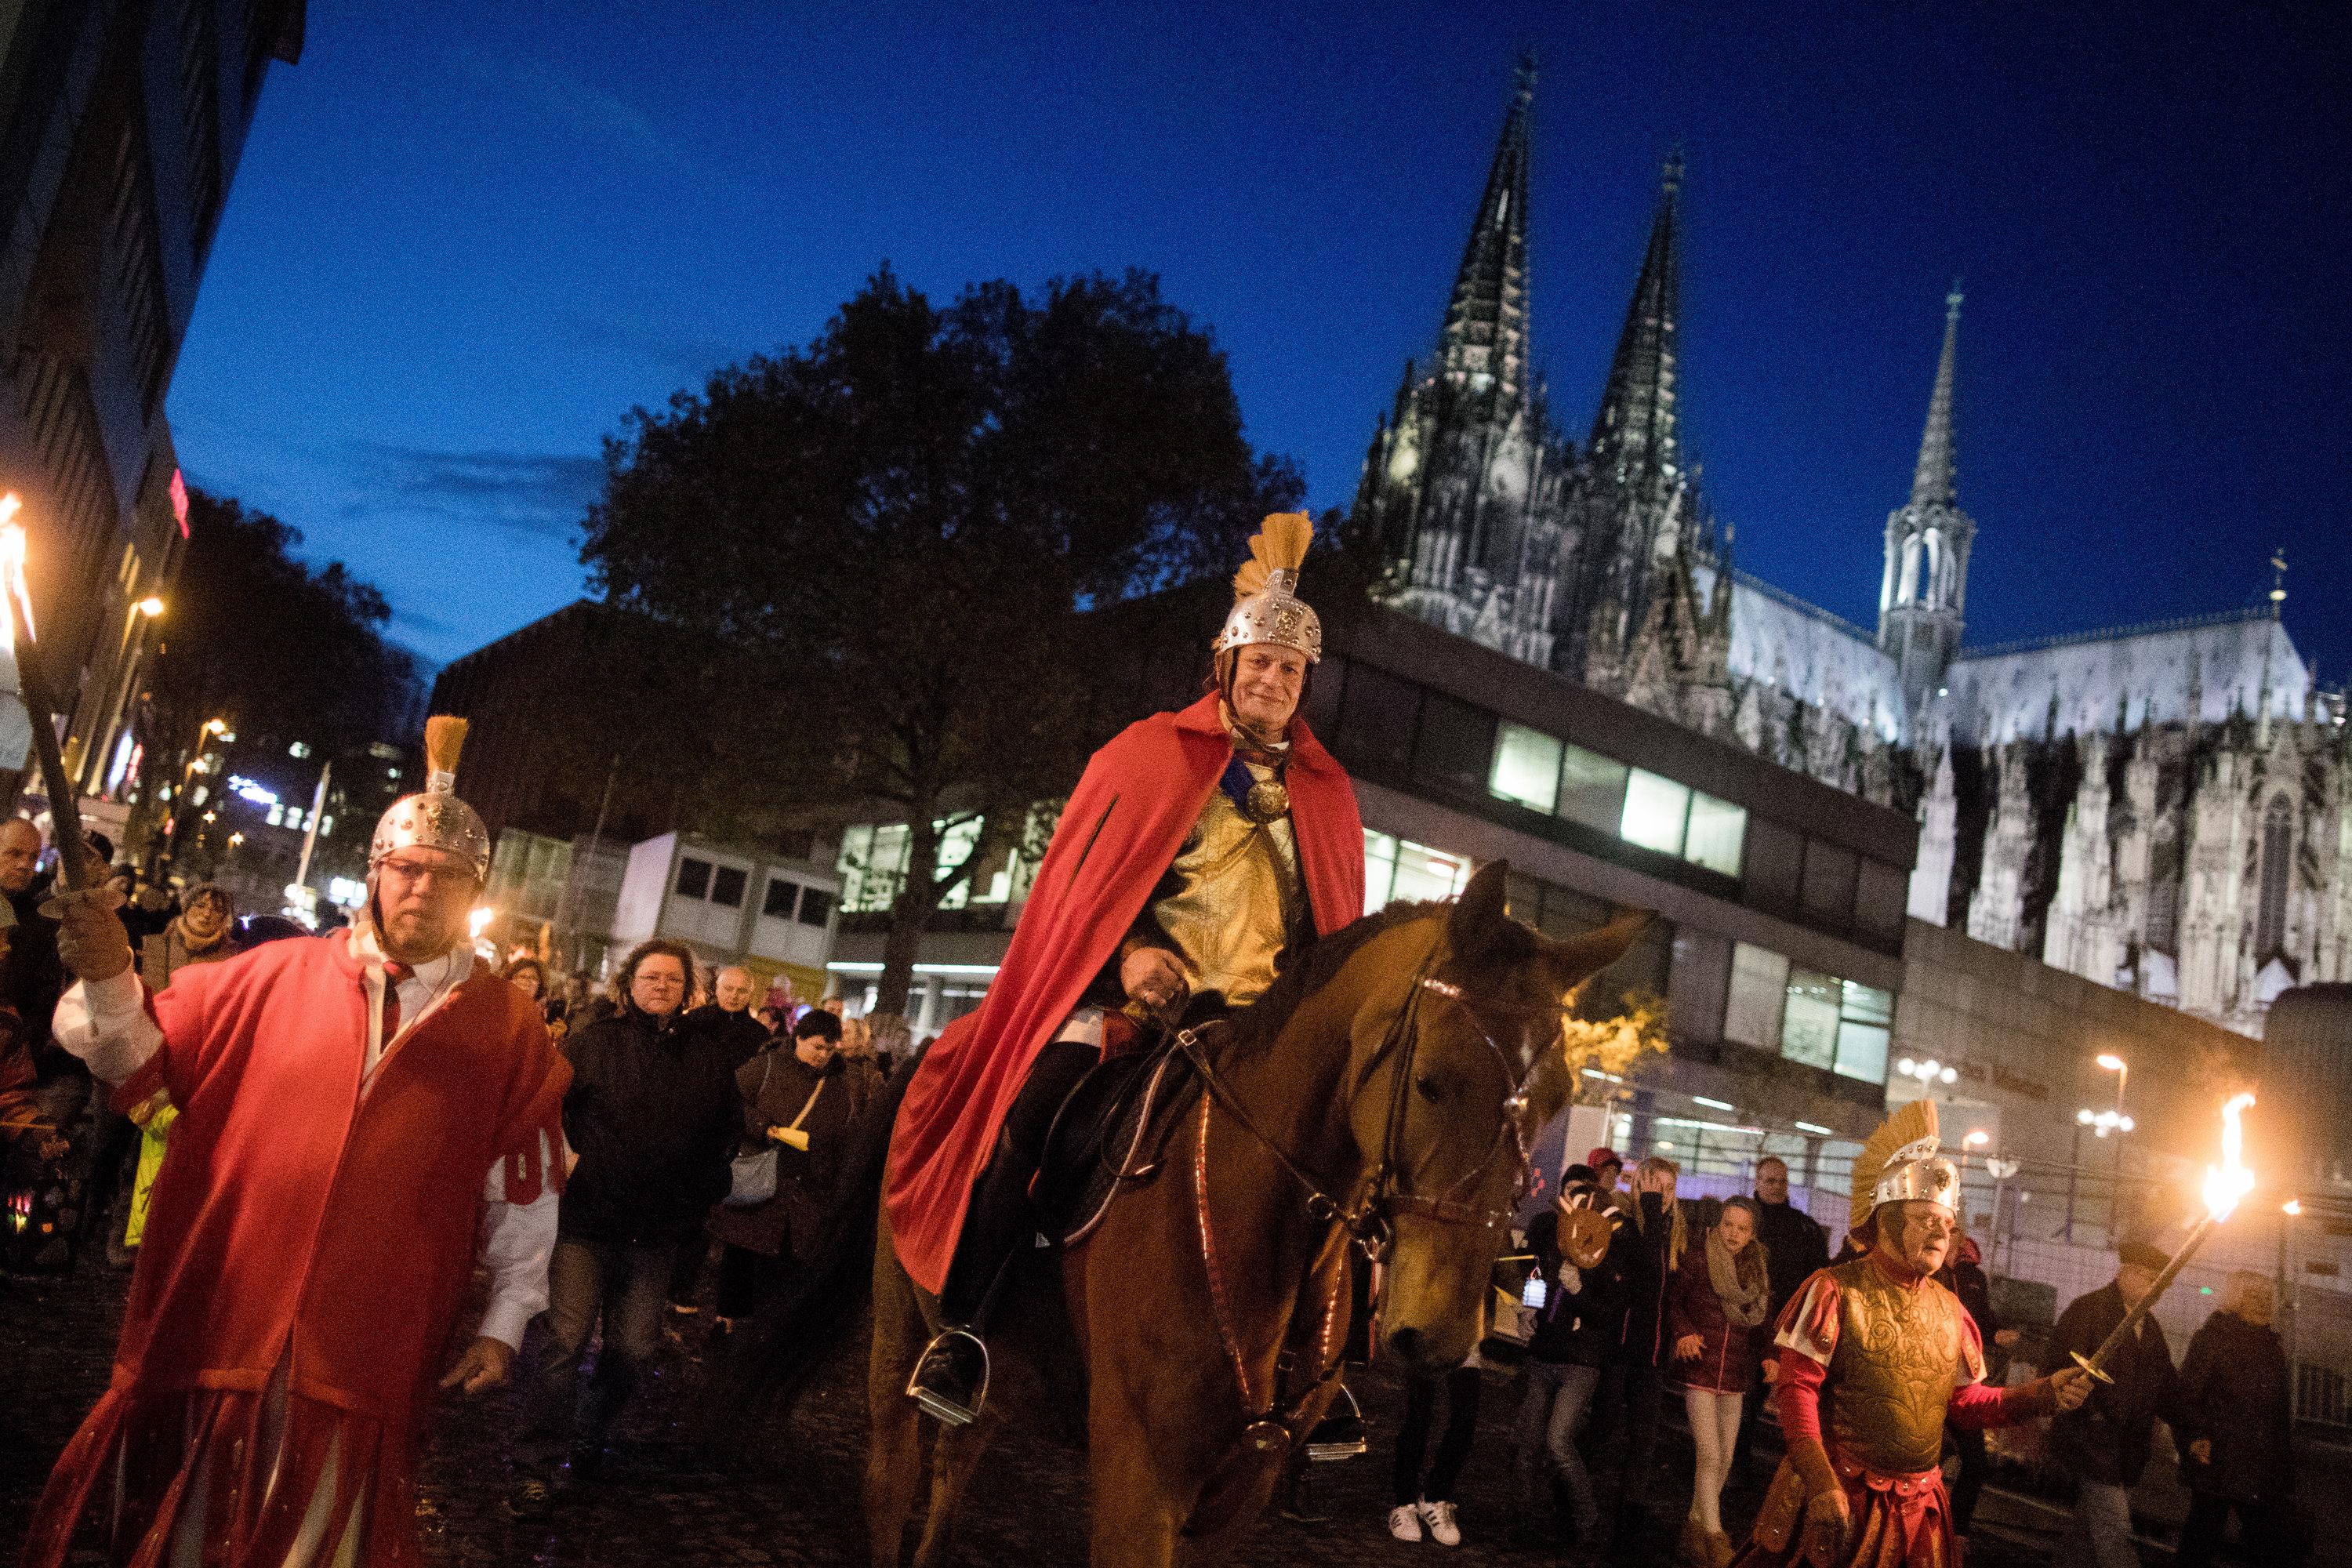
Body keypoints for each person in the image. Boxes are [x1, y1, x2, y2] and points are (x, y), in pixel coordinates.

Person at [24, 717, 568, 1568]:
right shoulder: (268, 976)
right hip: (227, 1306)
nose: (424, 888)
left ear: (475, 891)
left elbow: (524, 1189)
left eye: (448, 875)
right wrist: (107, 972)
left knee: (325, 1540)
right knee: (194, 1526)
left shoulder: (510, 1027)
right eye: (408, 868)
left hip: (372, 1327)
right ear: (376, 873)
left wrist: (504, 1319)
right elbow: (126, 1051)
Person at [889, 514, 1365, 1425]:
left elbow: (1330, 930)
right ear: (1226, 665)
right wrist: (1128, 951)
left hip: (1257, 1029)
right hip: (1139, 1011)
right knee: (1035, 1120)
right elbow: (1083, 888)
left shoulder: (1327, 791)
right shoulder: (1146, 754)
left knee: (1340, 1167)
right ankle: (965, 1332)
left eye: (1290, 668)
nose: (1272, 679)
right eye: (1259, 662)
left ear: (1306, 683)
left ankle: (1322, 1365)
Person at [1729, 1100, 2091, 1568]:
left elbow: (1964, 1403)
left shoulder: (1951, 1310)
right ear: (1888, 1220)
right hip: (1840, 1495)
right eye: (1926, 1219)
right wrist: (1820, 1483)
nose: (1941, 1233)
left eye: (1947, 1224)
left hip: (1919, 1510)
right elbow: (1797, 1389)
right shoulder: (1834, 1290)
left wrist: (2042, 1394)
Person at [511, 937, 739, 1515]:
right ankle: (536, 1462)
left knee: (634, 1350)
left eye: (672, 979)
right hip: (585, 1224)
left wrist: (702, 1191)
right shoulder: (595, 1042)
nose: (661, 987)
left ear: (688, 990)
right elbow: (550, 1111)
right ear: (629, 984)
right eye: (650, 977)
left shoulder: (708, 1056)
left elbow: (725, 1133)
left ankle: (590, 1431)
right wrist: (569, 1171)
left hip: (658, 1232)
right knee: (564, 1343)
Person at [707, 1009, 858, 1330]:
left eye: (830, 1049)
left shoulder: (840, 1086)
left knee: (783, 1260)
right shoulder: (767, 1066)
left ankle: (762, 1330)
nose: (823, 1055)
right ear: (799, 1038)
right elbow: (730, 1100)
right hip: (760, 1173)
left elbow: (844, 1137)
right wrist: (765, 1128)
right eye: (817, 1046)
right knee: (742, 1250)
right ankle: (727, 1320)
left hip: (803, 1187)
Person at [2047, 1240, 2186, 1568]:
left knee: (2087, 1532)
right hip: (2093, 1442)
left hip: (2123, 1447)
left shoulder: (2149, 1327)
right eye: (2153, 1280)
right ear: (2127, 1273)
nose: (2159, 1291)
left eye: (2163, 1284)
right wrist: (2093, 1416)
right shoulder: (2088, 1311)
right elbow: (2061, 1368)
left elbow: (2164, 1386)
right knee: (2115, 1532)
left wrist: (2191, 1429)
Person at [1515, 1168, 1624, 1546]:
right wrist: (1529, 1309)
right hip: (1545, 1353)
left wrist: (1578, 1291)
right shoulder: (1553, 1238)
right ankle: (1527, 1520)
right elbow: (1536, 1275)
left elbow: (1609, 1315)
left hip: (1580, 1362)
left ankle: (1587, 1518)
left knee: (1558, 1442)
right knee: (1528, 1444)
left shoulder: (1609, 1257)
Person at [1669, 1196, 1771, 1566]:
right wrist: (1683, 1332)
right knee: (1709, 1453)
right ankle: (1714, 1535)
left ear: (1752, 1234)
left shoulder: (1755, 1271)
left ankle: (1693, 1529)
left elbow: (1762, 1324)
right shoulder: (1698, 1258)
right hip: (1700, 1367)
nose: (1733, 1233)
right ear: (1718, 1224)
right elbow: (1674, 1302)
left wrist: (1769, 1357)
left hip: (1735, 1375)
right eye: (1728, 1224)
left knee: (1725, 1458)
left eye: (1742, 1228)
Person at [2174, 1271, 2295, 1568]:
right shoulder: (2213, 1339)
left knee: (2269, 1544)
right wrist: (2196, 1438)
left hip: (2260, 1464)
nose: (2263, 1302)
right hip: (2218, 1460)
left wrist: (2284, 1466)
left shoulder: (2272, 1347)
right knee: (2203, 1536)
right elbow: (2188, 1396)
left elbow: (2279, 1413)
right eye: (2254, 1295)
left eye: (2267, 1296)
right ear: (2236, 1299)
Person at [1599, 1154, 1685, 1553]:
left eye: (1668, 1188)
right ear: (1638, 1189)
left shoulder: (1676, 1233)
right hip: (1620, 1349)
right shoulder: (1623, 1227)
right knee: (1605, 1431)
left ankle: (1627, 1527)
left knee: (1644, 1442)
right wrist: (1647, 1208)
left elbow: (1672, 1296)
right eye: (1654, 1187)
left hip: (1652, 1355)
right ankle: (1579, 1504)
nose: (1662, 1195)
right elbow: (1648, 1275)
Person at [1736, 1156, 1828, 1480]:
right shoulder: (1743, 1222)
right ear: (1757, 1182)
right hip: (1747, 1321)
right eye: (1770, 1181)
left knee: (1772, 1397)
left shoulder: (1803, 1228)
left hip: (1786, 1325)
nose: (1777, 1187)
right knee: (1746, 1396)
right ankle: (1736, 1465)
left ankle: (1753, 1469)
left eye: (1782, 1181)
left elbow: (1818, 1277)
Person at [1935, 1232, 2015, 1537]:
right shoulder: (1928, 1273)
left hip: (1960, 1383)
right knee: (1928, 1459)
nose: (1950, 1236)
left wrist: (1994, 1334)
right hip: (1931, 1383)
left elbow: (1980, 1318)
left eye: (1952, 1227)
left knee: (1976, 1461)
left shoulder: (1972, 1278)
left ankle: (1956, 1532)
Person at [1388, 1362, 1483, 1546]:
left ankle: (1434, 1497)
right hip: (1423, 1346)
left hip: (1465, 1347)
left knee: (1465, 1421)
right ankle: (1404, 1503)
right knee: (1418, 1418)